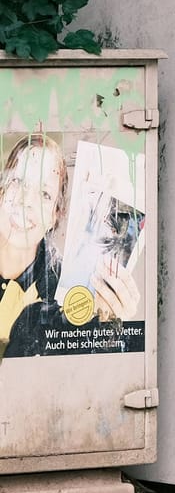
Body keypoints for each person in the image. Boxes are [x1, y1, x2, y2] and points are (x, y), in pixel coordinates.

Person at [1, 133, 137, 364]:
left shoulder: (67, 291)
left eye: (44, 194)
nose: (26, 202)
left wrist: (109, 328)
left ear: (56, 214)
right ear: (2, 189)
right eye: (19, 182)